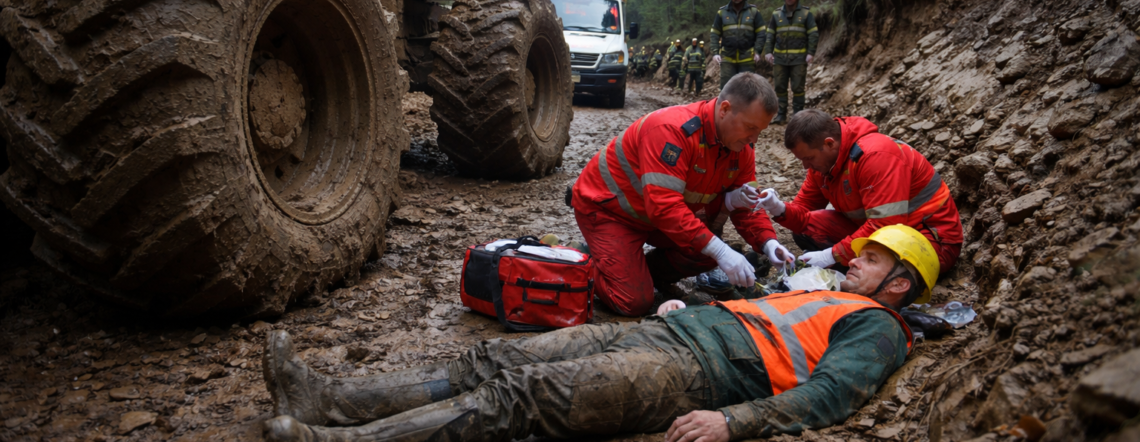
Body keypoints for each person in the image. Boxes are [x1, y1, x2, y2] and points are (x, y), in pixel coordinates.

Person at [261, 224, 940, 442]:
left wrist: (732, 422)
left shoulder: (880, 330)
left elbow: (830, 397)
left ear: (900, 285)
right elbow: (765, 313)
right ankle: (329, 398)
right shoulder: (829, 296)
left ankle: (338, 439)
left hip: (694, 377)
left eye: (873, 260)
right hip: (669, 338)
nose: (856, 260)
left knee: (523, 396)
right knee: (491, 360)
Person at [568, 73, 794, 316]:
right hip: (609, 212)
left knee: (707, 250)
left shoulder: (740, 147)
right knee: (631, 302)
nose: (754, 139)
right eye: (750, 128)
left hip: (652, 218)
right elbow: (664, 207)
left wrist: (769, 243)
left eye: (759, 130)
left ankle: (637, 272)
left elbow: (747, 203)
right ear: (724, 110)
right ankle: (581, 260)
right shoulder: (672, 130)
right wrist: (720, 250)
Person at [756, 109, 963, 273]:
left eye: (808, 158)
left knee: (873, 277)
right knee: (806, 230)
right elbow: (803, 210)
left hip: (931, 242)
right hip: (885, 233)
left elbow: (885, 225)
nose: (805, 166)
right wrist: (779, 208)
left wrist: (832, 255)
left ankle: (862, 276)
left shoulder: (875, 156)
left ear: (829, 143)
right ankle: (859, 270)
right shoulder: (824, 164)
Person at [762, 0, 819, 124]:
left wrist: (810, 52)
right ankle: (781, 115)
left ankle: (798, 116)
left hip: (799, 58)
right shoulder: (776, 15)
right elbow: (770, 35)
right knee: (780, 86)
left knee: (798, 87)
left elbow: (813, 34)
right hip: (780, 58)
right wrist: (768, 51)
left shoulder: (806, 14)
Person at [709, 0, 766, 90]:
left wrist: (758, 51)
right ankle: (727, 108)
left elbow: (761, 32)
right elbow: (715, 33)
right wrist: (715, 53)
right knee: (727, 89)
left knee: (747, 90)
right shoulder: (722, 13)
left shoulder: (753, 12)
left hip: (747, 58)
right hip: (727, 59)